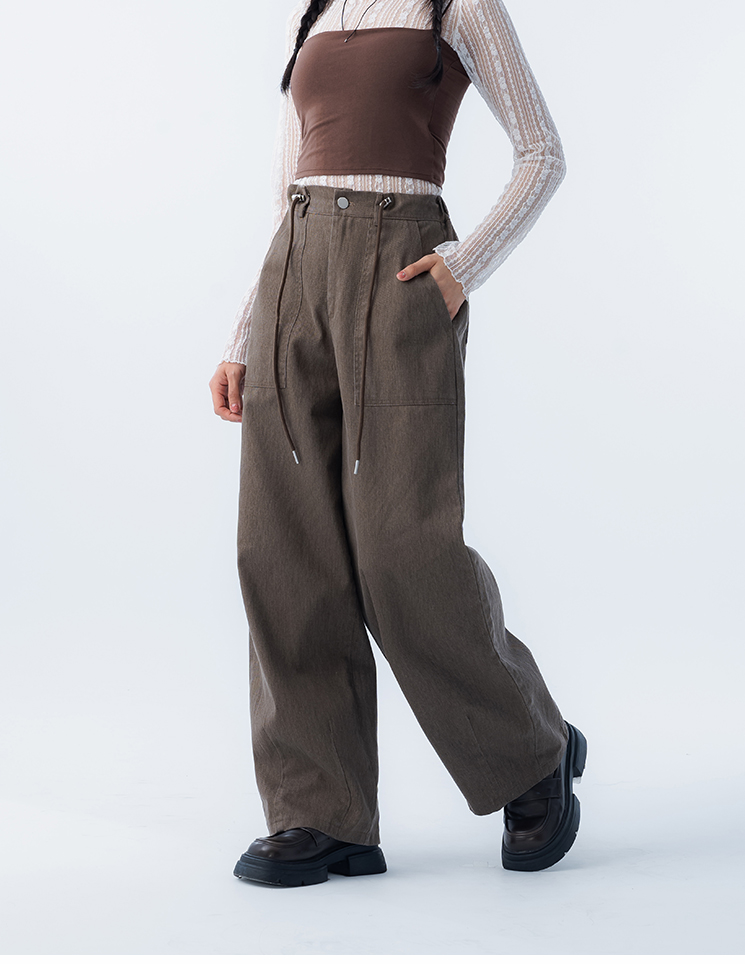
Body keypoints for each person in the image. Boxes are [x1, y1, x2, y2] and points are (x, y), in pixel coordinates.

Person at [209, 0, 586, 888]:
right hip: (295, 273)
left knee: (402, 549)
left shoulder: (458, 7)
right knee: (282, 551)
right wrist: (244, 334)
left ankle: (530, 754)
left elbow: (542, 153)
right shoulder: (312, 14)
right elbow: (285, 192)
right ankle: (320, 813)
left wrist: (463, 268)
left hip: (402, 268)